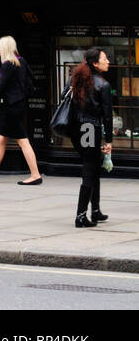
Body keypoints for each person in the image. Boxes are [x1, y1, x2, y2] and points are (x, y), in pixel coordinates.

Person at [0, 35, 43, 185]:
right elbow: (32, 79)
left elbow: (1, 87)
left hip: (11, 106)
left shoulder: (8, 64)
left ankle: (35, 175)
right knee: (1, 139)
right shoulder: (22, 61)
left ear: (5, 48)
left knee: (22, 141)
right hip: (18, 104)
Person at [69, 49, 113, 227]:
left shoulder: (78, 80)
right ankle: (80, 216)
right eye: (104, 58)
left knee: (94, 169)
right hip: (90, 130)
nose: (108, 61)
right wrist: (109, 141)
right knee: (89, 170)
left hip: (77, 130)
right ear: (95, 63)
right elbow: (108, 116)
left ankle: (95, 210)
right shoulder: (103, 84)